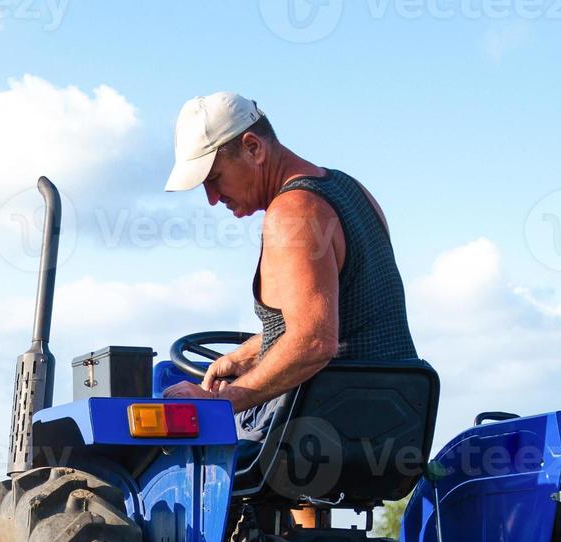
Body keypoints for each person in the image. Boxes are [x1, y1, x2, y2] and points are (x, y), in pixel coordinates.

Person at [160, 92, 418, 447]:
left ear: (253, 148)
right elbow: (348, 315)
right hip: (397, 418)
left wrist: (220, 403)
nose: (212, 197)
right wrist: (247, 354)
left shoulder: (292, 212)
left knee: (166, 440)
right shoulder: (351, 190)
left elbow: (314, 342)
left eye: (214, 177)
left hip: (325, 427)